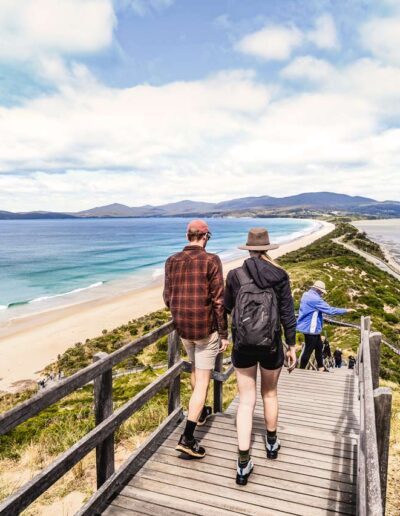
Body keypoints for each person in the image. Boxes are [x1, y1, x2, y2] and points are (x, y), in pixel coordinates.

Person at [224, 228, 297, 486]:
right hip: (272, 346)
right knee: (270, 394)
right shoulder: (279, 275)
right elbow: (288, 313)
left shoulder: (234, 275)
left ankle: (243, 462)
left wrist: (225, 336)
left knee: (246, 401)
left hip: (242, 346)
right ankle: (272, 442)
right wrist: (292, 346)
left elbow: (227, 309)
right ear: (267, 248)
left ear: (248, 249)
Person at [163, 219, 229, 458]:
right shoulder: (212, 260)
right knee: (203, 381)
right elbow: (219, 301)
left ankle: (199, 413)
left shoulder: (172, 261)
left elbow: (167, 298)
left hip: (183, 329)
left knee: (194, 371)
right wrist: (224, 333)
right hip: (205, 330)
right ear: (206, 237)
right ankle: (188, 437)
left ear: (187, 236)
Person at [297, 280, 354, 371]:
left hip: (306, 325)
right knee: (308, 350)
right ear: (318, 290)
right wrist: (346, 310)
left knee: (319, 346)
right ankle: (301, 370)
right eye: (322, 292)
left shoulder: (306, 294)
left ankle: (321, 367)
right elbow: (330, 310)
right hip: (311, 328)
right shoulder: (315, 299)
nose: (322, 294)